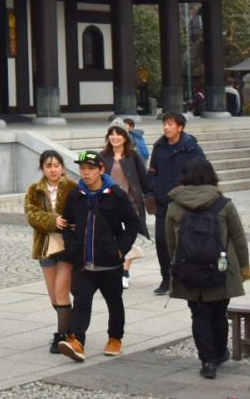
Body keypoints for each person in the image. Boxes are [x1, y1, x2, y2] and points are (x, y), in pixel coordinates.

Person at [166, 158, 250, 379]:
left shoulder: (175, 205)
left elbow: (169, 242)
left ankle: (207, 361)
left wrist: (174, 266)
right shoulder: (224, 204)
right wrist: (244, 266)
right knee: (219, 313)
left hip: (189, 268)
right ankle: (221, 352)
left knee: (199, 314)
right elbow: (238, 238)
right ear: (210, 175)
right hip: (221, 268)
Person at [55, 150, 138, 363]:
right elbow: (65, 224)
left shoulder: (116, 195)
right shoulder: (75, 195)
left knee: (114, 302)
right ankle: (77, 341)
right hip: (83, 264)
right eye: (82, 169)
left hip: (110, 264)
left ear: (101, 169)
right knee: (81, 302)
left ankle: (115, 338)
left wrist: (120, 250)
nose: (85, 173)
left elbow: (132, 223)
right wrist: (73, 249)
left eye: (90, 169)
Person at [24, 149, 75, 355]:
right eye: (48, 166)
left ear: (62, 167)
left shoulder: (73, 188)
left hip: (67, 246)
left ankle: (61, 336)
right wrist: (53, 221)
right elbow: (32, 215)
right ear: (42, 168)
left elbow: (81, 213)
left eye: (56, 166)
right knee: (53, 294)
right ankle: (69, 329)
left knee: (62, 291)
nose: (53, 170)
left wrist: (70, 223)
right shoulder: (34, 190)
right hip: (45, 245)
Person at [148, 112, 205, 295]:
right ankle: (167, 278)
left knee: (186, 242)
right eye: (164, 123)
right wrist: (151, 191)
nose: (166, 127)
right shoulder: (159, 147)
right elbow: (152, 172)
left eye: (170, 124)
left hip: (185, 203)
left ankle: (187, 276)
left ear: (180, 127)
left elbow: (203, 172)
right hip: (163, 202)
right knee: (161, 242)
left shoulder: (191, 148)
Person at [102, 124, 150, 288]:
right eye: (111, 134)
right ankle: (117, 270)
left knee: (127, 237)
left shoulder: (133, 156)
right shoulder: (103, 156)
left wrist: (150, 195)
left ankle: (124, 272)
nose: (115, 137)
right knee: (112, 239)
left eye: (118, 134)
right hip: (108, 205)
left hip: (130, 204)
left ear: (125, 137)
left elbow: (143, 179)